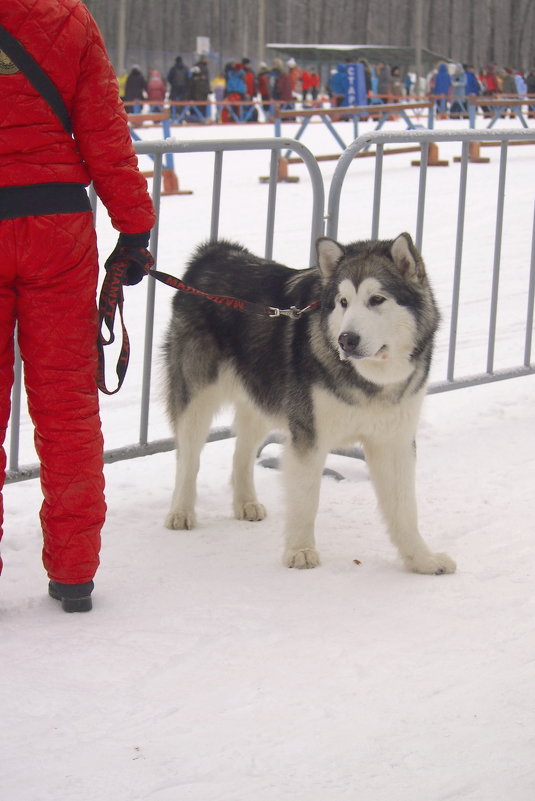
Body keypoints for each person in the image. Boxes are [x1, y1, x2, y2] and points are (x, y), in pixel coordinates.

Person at [0, 0, 156, 611]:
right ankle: (74, 573)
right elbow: (105, 132)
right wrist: (135, 230)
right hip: (57, 225)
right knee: (67, 407)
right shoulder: (69, 18)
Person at [167, 55, 189, 120]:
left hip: (174, 89)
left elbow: (169, 78)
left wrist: (173, 84)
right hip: (183, 89)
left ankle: (174, 116)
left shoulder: (173, 69)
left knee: (174, 103)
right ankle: (182, 116)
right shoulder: (185, 69)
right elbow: (188, 78)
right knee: (182, 103)